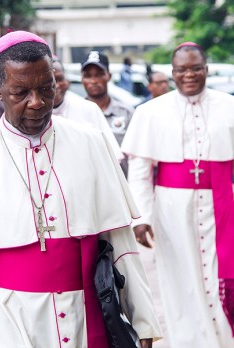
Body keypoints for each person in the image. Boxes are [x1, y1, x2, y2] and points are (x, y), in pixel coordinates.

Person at [0, 31, 161, 348]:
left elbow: (119, 237)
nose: (36, 102)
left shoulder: (91, 143)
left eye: (46, 88)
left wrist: (143, 320)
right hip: (5, 320)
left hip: (84, 314)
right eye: (20, 92)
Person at [122, 42, 234, 347]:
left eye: (196, 68)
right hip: (172, 209)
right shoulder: (151, 112)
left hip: (221, 205)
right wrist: (141, 218)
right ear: (173, 73)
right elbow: (141, 171)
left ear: (206, 69)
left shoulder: (229, 105)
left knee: (220, 276)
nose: (190, 75)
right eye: (182, 69)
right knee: (179, 281)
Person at [52, 59, 124, 161]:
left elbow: (112, 155)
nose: (56, 85)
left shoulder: (88, 109)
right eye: (50, 81)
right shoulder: (29, 115)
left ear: (67, 81)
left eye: (60, 79)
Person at [82, 50, 135, 174]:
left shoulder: (126, 113)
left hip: (122, 185)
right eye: (88, 75)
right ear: (82, 79)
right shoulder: (74, 113)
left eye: (99, 74)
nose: (94, 81)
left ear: (109, 76)